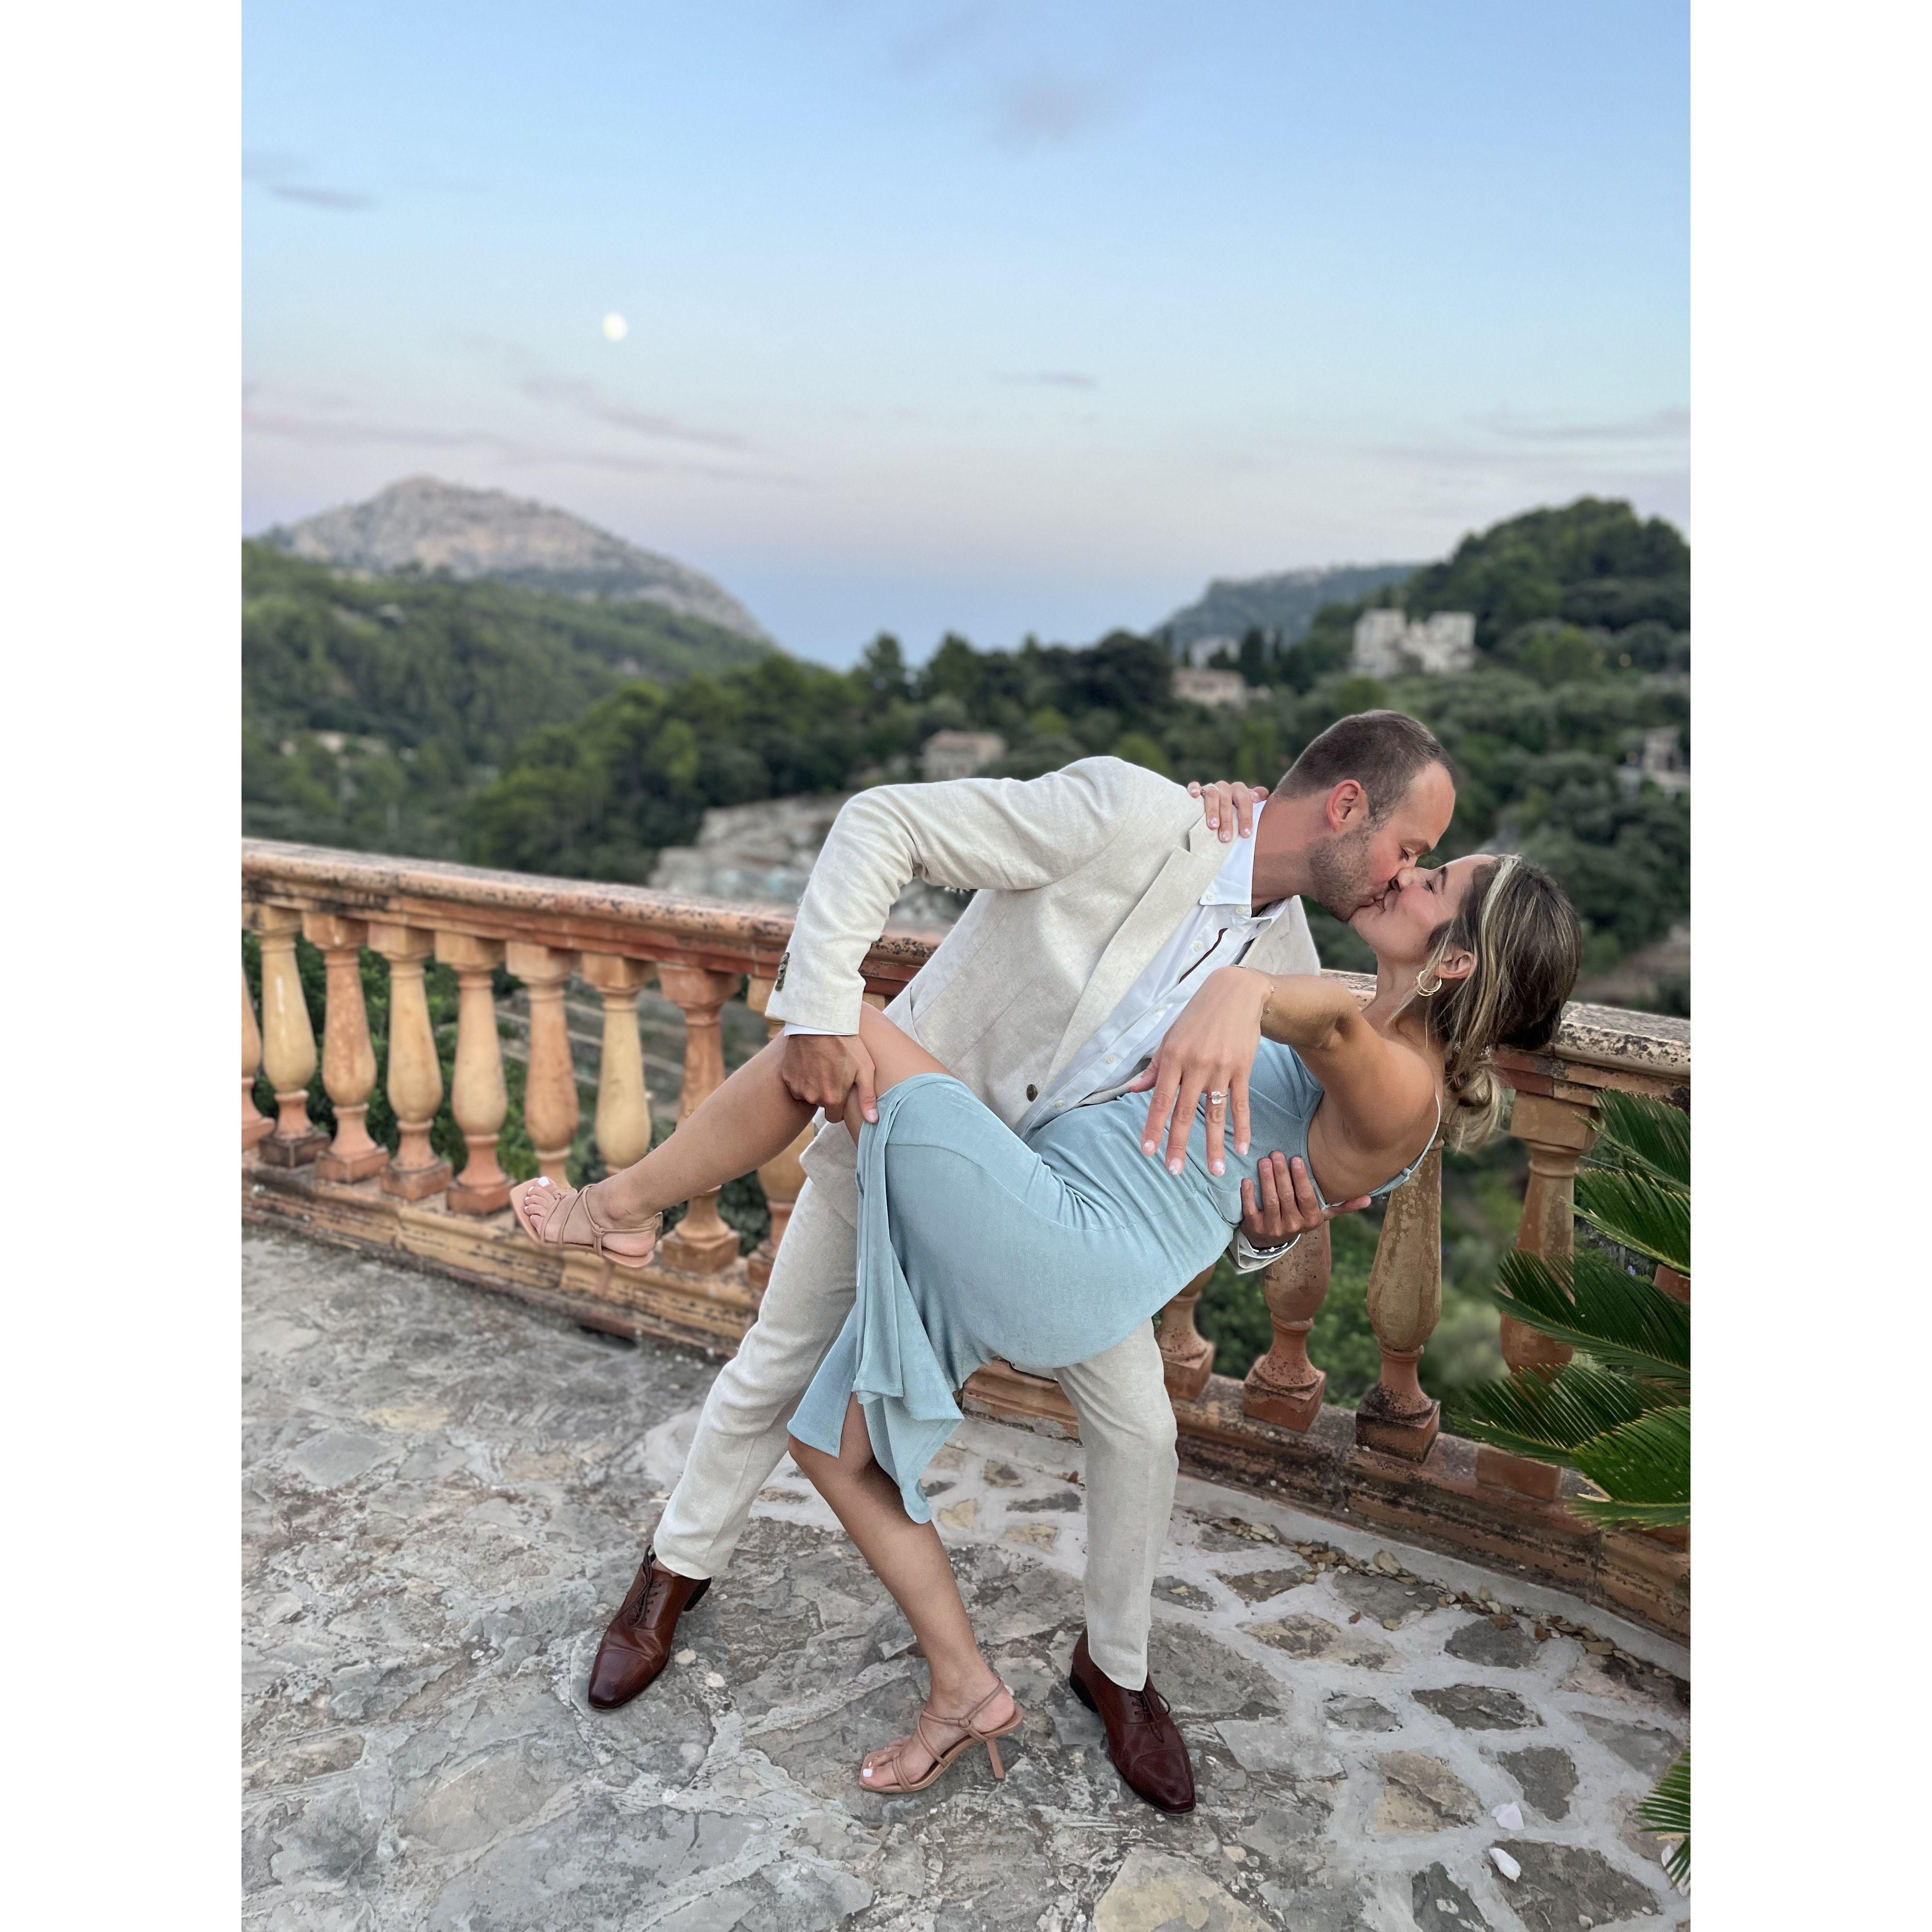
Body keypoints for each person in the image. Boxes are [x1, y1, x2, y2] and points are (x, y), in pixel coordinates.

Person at [517, 711, 1464, 1812]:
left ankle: (1117, 1674)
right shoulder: (1134, 814)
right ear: (1345, 807)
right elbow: (882, 822)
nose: (1408, 874)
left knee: (1142, 1435)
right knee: (776, 1367)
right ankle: (672, 1576)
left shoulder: (1293, 971)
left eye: (1429, 867)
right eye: (1410, 847)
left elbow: (1252, 1162)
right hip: (906, 1136)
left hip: (1065, 1218)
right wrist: (819, 1014)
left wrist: (1267, 1231)